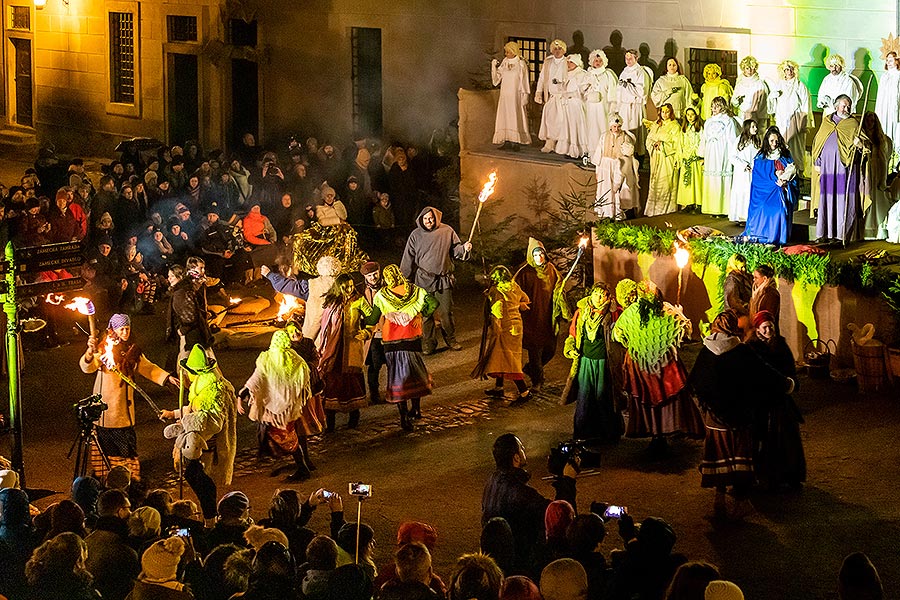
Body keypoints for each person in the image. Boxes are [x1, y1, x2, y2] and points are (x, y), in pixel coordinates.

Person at [689, 310, 794, 519]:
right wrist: (787, 384)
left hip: (715, 422)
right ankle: (739, 505)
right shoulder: (741, 352)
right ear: (733, 328)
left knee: (719, 459)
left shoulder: (706, 352)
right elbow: (764, 373)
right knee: (739, 461)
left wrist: (708, 403)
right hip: (738, 419)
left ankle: (719, 501)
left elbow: (694, 382)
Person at [80, 313, 178, 480]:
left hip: (124, 413)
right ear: (114, 330)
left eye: (127, 328)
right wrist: (90, 352)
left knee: (127, 450)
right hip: (106, 413)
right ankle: (106, 480)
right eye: (121, 329)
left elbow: (148, 368)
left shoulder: (133, 351)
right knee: (105, 451)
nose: (125, 332)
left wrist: (166, 377)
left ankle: (128, 480)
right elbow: (87, 367)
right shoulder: (103, 349)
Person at [611, 281, 703, 453]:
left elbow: (618, 333)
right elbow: (618, 332)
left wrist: (678, 317)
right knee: (656, 400)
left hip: (653, 365)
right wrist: (679, 317)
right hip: (651, 365)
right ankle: (658, 434)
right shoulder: (650, 310)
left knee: (661, 399)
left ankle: (662, 433)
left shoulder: (660, 310)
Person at [160, 345, 237, 526]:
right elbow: (194, 408)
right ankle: (209, 515)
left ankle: (210, 518)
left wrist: (186, 423)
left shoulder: (214, 390)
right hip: (198, 442)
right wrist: (174, 414)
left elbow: (212, 420)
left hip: (207, 444)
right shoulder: (202, 385)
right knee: (195, 476)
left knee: (204, 481)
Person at [482, 433, 576, 577]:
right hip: (519, 560)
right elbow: (557, 515)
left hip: (496, 552)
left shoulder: (492, 481)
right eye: (521, 448)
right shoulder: (521, 492)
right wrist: (568, 480)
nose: (524, 449)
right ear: (516, 457)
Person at [239, 329, 324, 482]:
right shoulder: (293, 360)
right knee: (278, 435)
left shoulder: (269, 358)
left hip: (278, 411)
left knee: (288, 438)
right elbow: (259, 378)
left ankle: (302, 468)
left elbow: (257, 378)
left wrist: (244, 393)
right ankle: (288, 462)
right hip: (286, 410)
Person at [360, 264, 438, 431]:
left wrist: (360, 311)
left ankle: (403, 417)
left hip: (392, 342)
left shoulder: (382, 296)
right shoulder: (415, 291)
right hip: (412, 338)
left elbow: (372, 319)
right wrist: (420, 314)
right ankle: (416, 409)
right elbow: (433, 302)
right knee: (415, 374)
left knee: (398, 378)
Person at [747, 310, 806, 489]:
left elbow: (790, 369)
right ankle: (767, 477)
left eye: (771, 327)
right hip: (762, 403)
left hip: (781, 401)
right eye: (765, 328)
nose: (768, 331)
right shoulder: (752, 348)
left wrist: (791, 383)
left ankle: (791, 476)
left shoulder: (780, 345)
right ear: (757, 330)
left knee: (788, 439)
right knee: (764, 440)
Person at [400, 206, 471, 354]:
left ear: (436, 218)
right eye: (425, 219)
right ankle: (428, 344)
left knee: (446, 313)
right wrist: (403, 278)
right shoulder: (415, 235)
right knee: (426, 315)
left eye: (431, 218)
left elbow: (456, 250)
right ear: (421, 219)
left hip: (443, 280)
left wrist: (464, 249)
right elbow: (408, 258)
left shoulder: (447, 231)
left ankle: (451, 339)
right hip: (423, 280)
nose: (428, 221)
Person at [562, 283, 622, 443]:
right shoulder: (582, 312)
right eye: (596, 294)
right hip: (586, 361)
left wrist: (616, 311)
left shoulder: (613, 313)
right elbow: (573, 333)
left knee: (604, 397)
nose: (598, 298)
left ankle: (608, 434)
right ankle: (582, 433)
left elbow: (621, 331)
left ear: (608, 297)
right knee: (585, 397)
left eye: (602, 295)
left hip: (604, 362)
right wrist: (570, 347)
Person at [514, 238, 570, 393]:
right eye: (536, 254)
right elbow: (513, 291)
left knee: (550, 349)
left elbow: (559, 287)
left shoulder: (551, 269)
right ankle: (537, 380)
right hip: (531, 318)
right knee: (535, 350)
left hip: (548, 316)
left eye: (541, 254)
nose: (539, 257)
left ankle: (530, 369)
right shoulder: (524, 272)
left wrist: (560, 293)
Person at [316, 273, 369, 432]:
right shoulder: (331, 303)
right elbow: (325, 326)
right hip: (334, 351)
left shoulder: (359, 301)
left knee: (352, 384)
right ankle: (329, 423)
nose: (349, 289)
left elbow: (373, 316)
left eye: (352, 286)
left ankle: (354, 417)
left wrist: (366, 332)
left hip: (351, 350)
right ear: (338, 287)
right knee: (331, 385)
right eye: (345, 287)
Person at [813, 94, 869, 243]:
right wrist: (818, 162)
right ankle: (824, 233)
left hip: (845, 169)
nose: (847, 108)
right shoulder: (827, 122)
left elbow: (867, 149)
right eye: (844, 105)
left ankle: (841, 234)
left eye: (849, 106)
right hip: (828, 168)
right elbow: (818, 143)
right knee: (827, 199)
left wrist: (860, 145)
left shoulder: (853, 124)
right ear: (836, 106)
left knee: (843, 200)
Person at [472, 266, 532, 403]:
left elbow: (497, 311)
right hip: (517, 326)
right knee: (501, 356)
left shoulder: (496, 290)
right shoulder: (514, 286)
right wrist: (517, 305)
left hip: (505, 328)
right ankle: (499, 387)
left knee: (509, 360)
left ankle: (524, 392)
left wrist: (496, 328)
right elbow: (525, 298)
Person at [743, 126, 799, 245]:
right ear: (767, 141)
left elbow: (793, 171)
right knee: (761, 208)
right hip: (763, 193)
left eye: (776, 141)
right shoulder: (760, 157)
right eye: (772, 141)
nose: (774, 144)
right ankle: (760, 236)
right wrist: (774, 178)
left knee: (779, 210)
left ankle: (776, 237)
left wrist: (785, 182)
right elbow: (758, 178)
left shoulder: (785, 154)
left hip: (780, 191)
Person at [590, 112, 640, 220]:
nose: (616, 129)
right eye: (614, 126)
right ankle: (607, 213)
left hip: (618, 165)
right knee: (606, 189)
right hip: (605, 165)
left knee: (616, 189)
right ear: (610, 126)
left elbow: (628, 152)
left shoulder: (625, 137)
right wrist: (597, 170)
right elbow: (599, 152)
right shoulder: (604, 136)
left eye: (618, 126)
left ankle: (619, 213)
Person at [769, 60, 812, 175]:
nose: (789, 72)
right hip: (782, 121)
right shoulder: (779, 84)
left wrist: (803, 123)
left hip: (796, 121)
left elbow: (805, 105)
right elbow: (772, 105)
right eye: (786, 69)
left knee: (796, 148)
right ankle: (782, 170)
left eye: (791, 69)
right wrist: (772, 97)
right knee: (782, 144)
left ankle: (798, 172)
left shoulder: (800, 86)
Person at [699, 97, 740, 216]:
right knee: (711, 179)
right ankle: (711, 208)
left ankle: (723, 208)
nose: (714, 109)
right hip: (711, 153)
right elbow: (704, 138)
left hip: (723, 153)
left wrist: (733, 154)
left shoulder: (728, 120)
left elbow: (732, 139)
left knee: (722, 178)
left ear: (722, 107)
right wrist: (702, 154)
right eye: (712, 106)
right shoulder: (708, 121)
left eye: (716, 106)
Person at [492, 41, 531, 151]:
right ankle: (507, 140)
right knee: (504, 116)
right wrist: (494, 67)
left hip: (515, 95)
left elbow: (524, 81)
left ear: (514, 52)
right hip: (505, 95)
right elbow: (497, 79)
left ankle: (516, 142)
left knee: (514, 115)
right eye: (506, 52)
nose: (506, 54)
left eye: (508, 52)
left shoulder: (520, 64)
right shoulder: (505, 62)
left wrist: (525, 95)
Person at [645, 103, 682, 216]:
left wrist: (663, 145)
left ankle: (667, 210)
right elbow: (648, 139)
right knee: (656, 184)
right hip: (656, 159)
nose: (664, 114)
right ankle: (653, 211)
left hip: (667, 160)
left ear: (671, 113)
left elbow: (678, 144)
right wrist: (653, 144)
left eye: (667, 112)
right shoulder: (656, 124)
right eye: (662, 112)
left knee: (666, 184)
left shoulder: (675, 126)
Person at [860, 111, 892, 240]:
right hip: (866, 172)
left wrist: (883, 178)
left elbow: (885, 158)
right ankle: (865, 229)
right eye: (867, 120)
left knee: (878, 200)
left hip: (878, 171)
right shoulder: (861, 137)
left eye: (872, 120)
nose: (870, 123)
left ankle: (878, 229)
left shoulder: (882, 139)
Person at [535, 39, 570, 153]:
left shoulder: (567, 62)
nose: (557, 51)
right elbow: (542, 78)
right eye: (555, 49)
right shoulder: (548, 62)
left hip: (563, 97)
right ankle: (549, 143)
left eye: (560, 49)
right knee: (549, 119)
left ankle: (562, 145)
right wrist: (538, 92)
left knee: (562, 121)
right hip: (551, 96)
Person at [617, 49, 652, 159]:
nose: (628, 61)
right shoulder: (624, 72)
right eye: (626, 58)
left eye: (630, 58)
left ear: (636, 58)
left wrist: (628, 86)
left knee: (636, 130)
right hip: (625, 107)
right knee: (625, 130)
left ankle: (639, 155)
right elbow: (619, 91)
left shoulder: (640, 72)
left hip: (635, 107)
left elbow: (642, 91)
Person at [555, 54, 590, 158]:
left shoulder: (581, 74)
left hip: (576, 103)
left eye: (571, 62)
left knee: (578, 126)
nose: (569, 64)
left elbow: (583, 89)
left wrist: (571, 94)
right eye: (568, 62)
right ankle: (571, 150)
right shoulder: (566, 74)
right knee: (569, 126)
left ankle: (582, 150)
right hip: (567, 104)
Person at [585, 49, 619, 153]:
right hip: (590, 107)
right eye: (596, 60)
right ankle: (592, 151)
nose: (598, 62)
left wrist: (612, 108)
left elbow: (613, 91)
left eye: (600, 60)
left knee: (603, 127)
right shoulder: (588, 74)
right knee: (592, 128)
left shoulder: (608, 74)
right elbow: (582, 89)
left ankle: (605, 150)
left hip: (603, 107)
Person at [728, 119, 761, 223]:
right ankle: (741, 217)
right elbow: (732, 157)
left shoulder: (757, 141)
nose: (755, 128)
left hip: (753, 172)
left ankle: (751, 216)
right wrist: (744, 165)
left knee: (751, 193)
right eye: (752, 127)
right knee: (742, 192)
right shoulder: (739, 141)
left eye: (755, 126)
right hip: (742, 174)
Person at [676, 107, 704, 213]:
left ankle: (699, 204)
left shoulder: (699, 128)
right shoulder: (684, 128)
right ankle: (689, 203)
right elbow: (681, 143)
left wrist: (701, 155)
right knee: (687, 183)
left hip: (695, 158)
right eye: (688, 115)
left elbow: (702, 141)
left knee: (697, 182)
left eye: (692, 114)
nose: (690, 117)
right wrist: (680, 156)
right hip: (686, 157)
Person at [875, 51, 900, 165]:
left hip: (894, 111)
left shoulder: (898, 76)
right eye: (887, 60)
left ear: (897, 60)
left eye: (891, 60)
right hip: (883, 110)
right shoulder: (884, 76)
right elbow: (880, 97)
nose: (888, 62)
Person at [731, 56, 769, 125]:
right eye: (747, 68)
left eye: (752, 68)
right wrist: (737, 100)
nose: (749, 71)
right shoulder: (740, 83)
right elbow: (734, 100)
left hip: (755, 117)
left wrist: (762, 121)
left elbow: (763, 104)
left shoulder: (760, 84)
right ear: (743, 69)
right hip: (741, 116)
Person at [749, 264, 780, 330]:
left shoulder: (771, 294)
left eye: (756, 277)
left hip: (766, 331)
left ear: (765, 278)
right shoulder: (758, 292)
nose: (754, 280)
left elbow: (768, 316)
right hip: (759, 329)